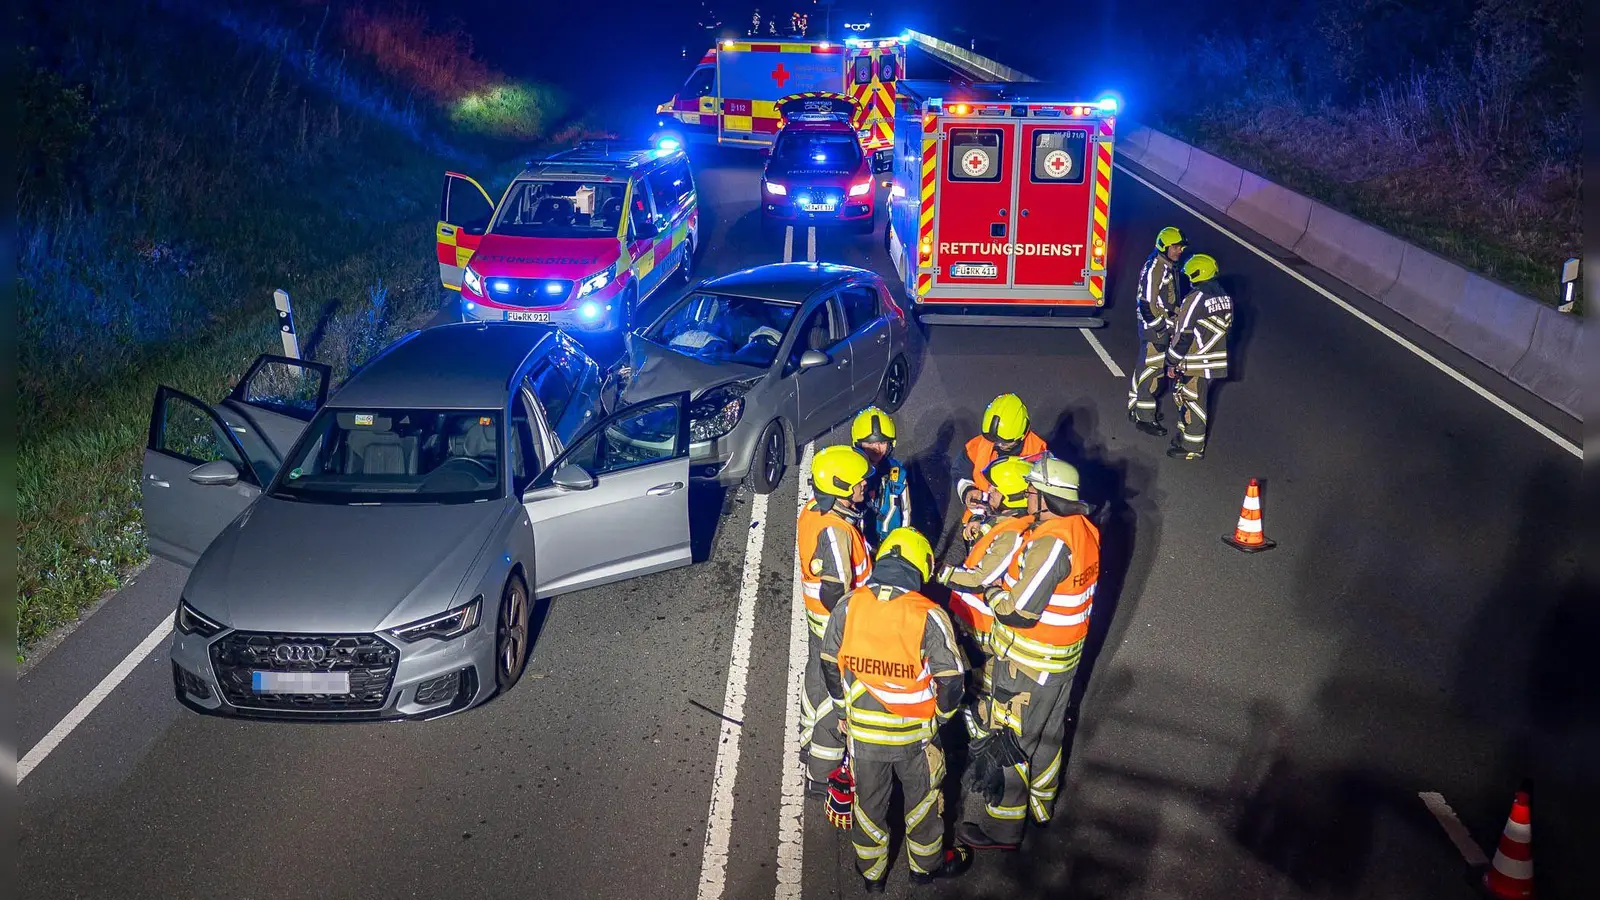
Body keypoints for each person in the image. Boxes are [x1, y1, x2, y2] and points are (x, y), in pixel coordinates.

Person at [957, 455, 1100, 852]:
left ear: (1048, 498)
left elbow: (1019, 612)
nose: (1028, 496)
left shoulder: (1052, 543)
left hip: (1027, 666)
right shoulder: (1082, 530)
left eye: (1034, 491)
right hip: (1060, 662)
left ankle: (1003, 830)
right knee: (1048, 737)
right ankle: (1041, 806)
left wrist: (991, 592)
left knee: (1011, 745)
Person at [820, 527, 973, 892]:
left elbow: (828, 662)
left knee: (868, 808)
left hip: (864, 737)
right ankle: (925, 868)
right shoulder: (928, 613)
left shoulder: (848, 605)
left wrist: (843, 711)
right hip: (915, 738)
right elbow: (952, 679)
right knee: (923, 806)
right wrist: (942, 717)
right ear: (919, 565)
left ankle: (872, 876)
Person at [798, 445, 874, 794]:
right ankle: (822, 772)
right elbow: (835, 591)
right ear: (840, 486)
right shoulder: (837, 531)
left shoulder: (813, 511)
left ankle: (807, 742)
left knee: (815, 677)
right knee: (836, 697)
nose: (863, 488)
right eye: (858, 484)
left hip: (817, 623)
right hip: (837, 628)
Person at [952, 394, 1047, 559]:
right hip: (978, 518)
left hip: (1015, 526)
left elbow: (1040, 504)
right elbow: (959, 470)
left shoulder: (1039, 454)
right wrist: (968, 490)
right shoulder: (983, 443)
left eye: (1004, 442)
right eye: (994, 440)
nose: (997, 445)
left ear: (1022, 435)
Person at [1164, 253, 1234, 460]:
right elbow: (1228, 327)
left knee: (1193, 402)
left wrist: (1172, 361)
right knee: (1187, 397)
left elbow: (1183, 333)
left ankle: (1192, 447)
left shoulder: (1195, 298)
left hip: (1194, 361)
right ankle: (1184, 437)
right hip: (1214, 360)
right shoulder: (1225, 298)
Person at [1127, 226, 1188, 437]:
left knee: (1144, 367)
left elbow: (1165, 299)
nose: (1179, 250)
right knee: (1152, 372)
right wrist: (1163, 328)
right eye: (1175, 247)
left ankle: (1137, 407)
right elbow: (1148, 303)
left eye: (1180, 246)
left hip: (1156, 326)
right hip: (1155, 329)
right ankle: (1145, 417)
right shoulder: (1157, 268)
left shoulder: (1165, 265)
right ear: (1164, 246)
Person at [852, 406, 911, 548]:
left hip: (890, 546)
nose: (877, 449)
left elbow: (906, 512)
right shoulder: (851, 474)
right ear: (859, 444)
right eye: (870, 443)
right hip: (861, 547)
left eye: (882, 442)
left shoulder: (897, 473)